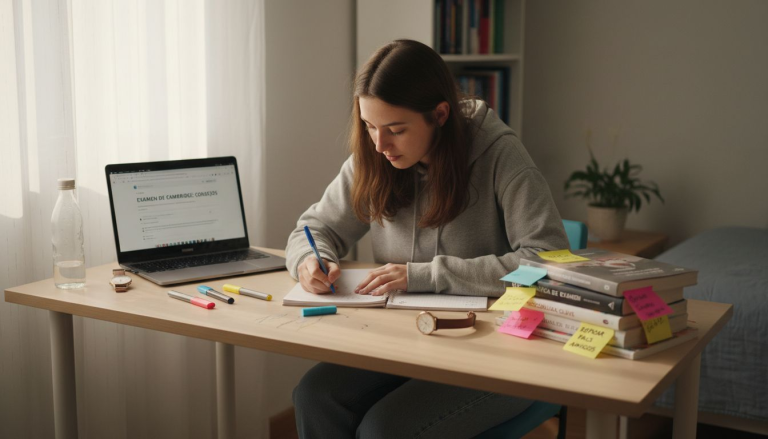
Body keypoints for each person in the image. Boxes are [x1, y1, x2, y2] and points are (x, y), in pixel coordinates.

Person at [285, 39, 569, 438]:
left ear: (439, 115)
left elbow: (547, 261)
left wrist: (424, 275)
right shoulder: (376, 155)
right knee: (315, 397)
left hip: (495, 351)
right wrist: (308, 261)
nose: (380, 144)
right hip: (404, 341)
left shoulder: (500, 155)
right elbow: (313, 230)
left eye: (396, 130)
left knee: (386, 429)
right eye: (369, 127)